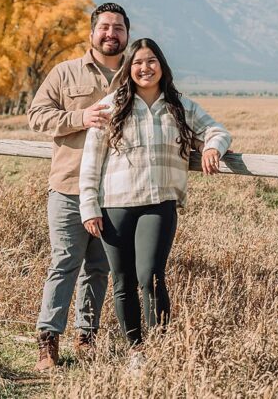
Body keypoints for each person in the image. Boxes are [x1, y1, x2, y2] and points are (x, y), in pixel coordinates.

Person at [79, 37, 231, 359]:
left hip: (159, 203)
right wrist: (89, 206)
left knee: (151, 276)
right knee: (122, 280)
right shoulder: (111, 105)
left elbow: (216, 130)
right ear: (128, 68)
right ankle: (136, 351)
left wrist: (212, 147)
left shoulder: (181, 106)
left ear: (161, 65)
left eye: (151, 61)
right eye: (137, 63)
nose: (145, 68)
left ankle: (160, 348)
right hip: (115, 205)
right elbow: (91, 160)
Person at [27, 2, 130, 371]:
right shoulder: (65, 73)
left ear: (127, 35)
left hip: (117, 193)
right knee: (64, 263)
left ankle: (87, 337)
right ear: (91, 33)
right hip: (68, 187)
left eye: (118, 28)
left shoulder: (135, 76)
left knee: (99, 269)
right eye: (104, 27)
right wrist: (80, 118)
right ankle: (47, 344)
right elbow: (36, 117)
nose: (111, 34)